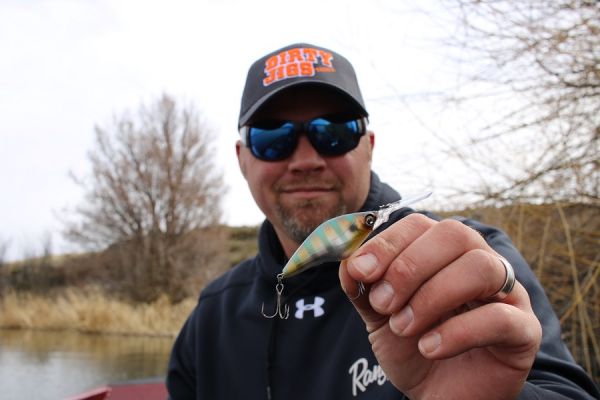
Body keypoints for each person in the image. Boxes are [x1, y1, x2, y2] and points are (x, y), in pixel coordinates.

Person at [166, 43, 600, 399]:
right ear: (243, 159)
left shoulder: (475, 261)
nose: (306, 160)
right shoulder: (211, 317)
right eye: (272, 138)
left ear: (369, 146)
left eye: (333, 131)